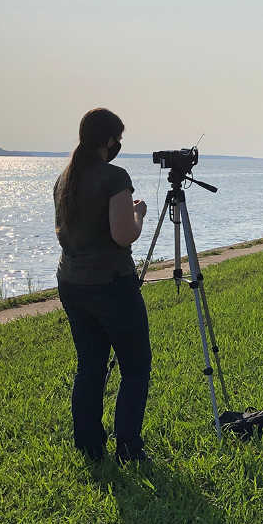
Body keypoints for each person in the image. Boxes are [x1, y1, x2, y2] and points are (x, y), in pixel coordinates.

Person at [54, 107, 151, 463]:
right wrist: (138, 213)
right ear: (109, 140)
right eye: (118, 139)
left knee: (90, 365)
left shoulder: (65, 179)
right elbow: (123, 234)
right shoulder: (114, 177)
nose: (119, 145)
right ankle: (129, 448)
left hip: (72, 283)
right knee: (136, 367)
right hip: (111, 284)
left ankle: (90, 446)